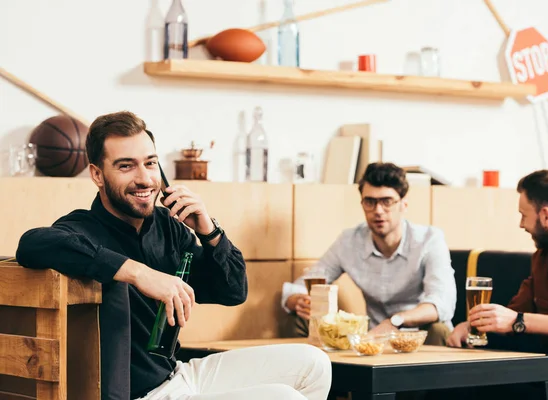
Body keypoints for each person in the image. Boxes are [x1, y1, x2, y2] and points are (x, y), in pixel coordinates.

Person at [16, 111, 331, 400]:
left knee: (314, 363)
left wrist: (208, 231)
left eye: (150, 163)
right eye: (126, 165)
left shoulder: (168, 226)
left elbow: (234, 291)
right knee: (282, 398)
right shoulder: (82, 228)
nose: (144, 178)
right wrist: (138, 273)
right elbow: (32, 243)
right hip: (143, 395)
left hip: (177, 375)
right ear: (97, 175)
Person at [447, 169, 548, 400]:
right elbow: (516, 310)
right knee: (481, 342)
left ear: (546, 216)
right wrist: (472, 326)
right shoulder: (544, 256)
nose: (521, 224)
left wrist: (518, 321)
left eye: (523, 214)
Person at [282, 162, 457, 345]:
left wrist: (395, 321)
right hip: (373, 335)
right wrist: (298, 301)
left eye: (387, 201)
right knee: (300, 320)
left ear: (403, 204)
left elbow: (441, 304)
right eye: (370, 202)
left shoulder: (429, 239)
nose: (378, 211)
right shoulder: (349, 241)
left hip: (420, 333)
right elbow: (303, 285)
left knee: (439, 329)